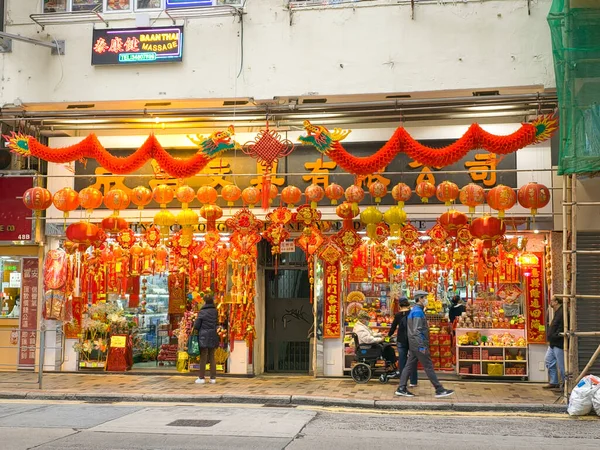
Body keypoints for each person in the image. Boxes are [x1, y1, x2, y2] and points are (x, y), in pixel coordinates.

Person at [396, 290, 454, 398]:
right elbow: (417, 330)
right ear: (420, 299)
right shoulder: (417, 312)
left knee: (408, 366)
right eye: (425, 298)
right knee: (428, 365)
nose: (426, 300)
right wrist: (422, 346)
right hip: (418, 344)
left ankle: (401, 388)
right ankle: (439, 389)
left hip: (414, 344)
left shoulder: (414, 311)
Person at [388, 297, 418, 387]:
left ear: (400, 305)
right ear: (408, 304)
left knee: (402, 360)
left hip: (401, 340)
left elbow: (393, 328)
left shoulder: (398, 315)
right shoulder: (412, 313)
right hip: (412, 339)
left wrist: (388, 336)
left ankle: (403, 380)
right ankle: (413, 381)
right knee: (412, 360)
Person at [193, 295, 219, 384]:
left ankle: (201, 377)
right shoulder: (215, 311)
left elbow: (196, 325)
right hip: (213, 335)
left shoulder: (202, 312)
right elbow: (217, 323)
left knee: (203, 356)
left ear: (205, 302)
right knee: (212, 356)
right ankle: (213, 378)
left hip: (203, 336)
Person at [544, 296, 565, 390]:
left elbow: (562, 327)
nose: (550, 302)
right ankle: (554, 381)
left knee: (562, 365)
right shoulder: (557, 312)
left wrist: (555, 336)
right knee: (548, 360)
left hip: (558, 342)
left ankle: (565, 384)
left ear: (556, 302)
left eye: (552, 301)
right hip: (553, 342)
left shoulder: (562, 312)